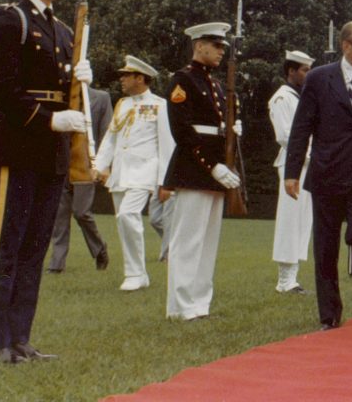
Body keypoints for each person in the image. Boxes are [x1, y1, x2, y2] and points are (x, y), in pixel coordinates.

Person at [0, 0, 93, 363]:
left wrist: (80, 82)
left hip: (51, 151)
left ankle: (20, 337)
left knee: (34, 247)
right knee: (7, 245)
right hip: (20, 145)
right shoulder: (12, 21)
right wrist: (48, 118)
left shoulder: (62, 31)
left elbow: (66, 95)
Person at [284, 21, 352, 330]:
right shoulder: (319, 79)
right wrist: (291, 172)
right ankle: (330, 314)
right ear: (347, 46)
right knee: (326, 246)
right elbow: (302, 125)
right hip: (328, 172)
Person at [162, 22, 241, 320]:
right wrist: (213, 165)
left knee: (208, 241)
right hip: (195, 169)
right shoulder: (183, 80)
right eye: (216, 45)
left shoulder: (218, 85)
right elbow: (183, 131)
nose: (221, 51)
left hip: (215, 169)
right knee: (188, 240)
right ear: (199, 45)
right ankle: (180, 306)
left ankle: (199, 303)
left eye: (222, 46)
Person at [91, 56, 175, 291]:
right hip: (121, 172)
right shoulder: (122, 104)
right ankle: (135, 273)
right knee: (122, 221)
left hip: (145, 171)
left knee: (128, 215)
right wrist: (99, 166)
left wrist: (164, 181)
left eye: (126, 75)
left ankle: (137, 273)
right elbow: (111, 138)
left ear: (141, 78)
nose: (122, 80)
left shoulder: (160, 105)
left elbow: (167, 145)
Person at [46, 87, 111, 274]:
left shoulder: (101, 98)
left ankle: (100, 249)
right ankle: (57, 264)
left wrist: (103, 164)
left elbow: (106, 133)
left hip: (85, 165)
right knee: (60, 216)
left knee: (82, 213)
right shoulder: (61, 96)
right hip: (61, 164)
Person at [268, 49, 315, 295]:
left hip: (308, 164)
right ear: (291, 71)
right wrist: (310, 154)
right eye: (304, 70)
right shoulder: (282, 98)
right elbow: (285, 135)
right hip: (292, 164)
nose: (307, 75)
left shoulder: (301, 97)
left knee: (302, 221)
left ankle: (292, 278)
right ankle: (284, 279)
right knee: (290, 220)